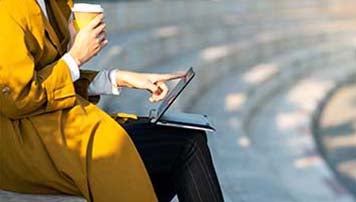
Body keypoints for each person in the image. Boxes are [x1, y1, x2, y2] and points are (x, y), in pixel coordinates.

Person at [0, 0, 224, 201]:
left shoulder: (52, 4)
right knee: (185, 144)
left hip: (58, 122)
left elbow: (50, 74)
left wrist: (118, 78)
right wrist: (75, 57)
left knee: (181, 141)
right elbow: (17, 98)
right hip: (26, 139)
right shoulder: (8, 8)